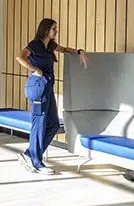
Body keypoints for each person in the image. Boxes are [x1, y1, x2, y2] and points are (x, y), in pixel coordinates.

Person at [15, 18, 87, 174]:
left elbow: (66, 49)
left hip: (47, 88)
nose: (56, 31)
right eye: (54, 28)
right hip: (37, 87)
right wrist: (35, 69)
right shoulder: (35, 45)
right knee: (39, 123)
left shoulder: (50, 46)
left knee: (53, 125)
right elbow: (20, 57)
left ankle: (30, 154)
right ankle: (36, 161)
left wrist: (80, 52)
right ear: (46, 30)